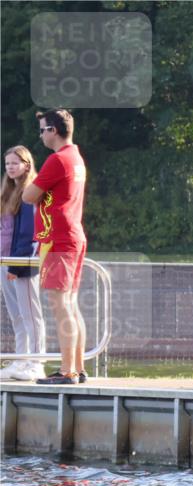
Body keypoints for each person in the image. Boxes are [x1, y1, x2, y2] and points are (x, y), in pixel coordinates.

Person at [22, 109, 87, 385]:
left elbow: (28, 195)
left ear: (54, 131)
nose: (41, 135)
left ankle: (67, 371)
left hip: (58, 239)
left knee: (60, 305)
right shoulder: (76, 157)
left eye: (42, 129)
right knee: (70, 304)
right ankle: (78, 368)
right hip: (72, 235)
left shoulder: (57, 160)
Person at [0, 146, 46, 381]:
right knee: (16, 316)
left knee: (31, 315)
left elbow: (29, 233)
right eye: (7, 163)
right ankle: (21, 360)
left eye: (15, 163)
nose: (10, 167)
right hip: (4, 262)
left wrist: (17, 267)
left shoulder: (30, 192)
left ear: (26, 165)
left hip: (22, 263)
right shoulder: (7, 191)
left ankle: (36, 363)